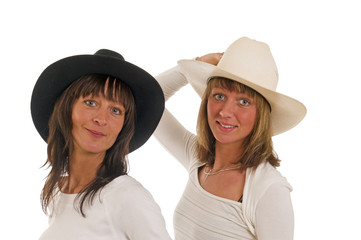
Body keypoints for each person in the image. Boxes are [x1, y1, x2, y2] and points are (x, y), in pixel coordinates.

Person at [154, 37, 306, 239]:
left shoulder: (268, 189)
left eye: (243, 101)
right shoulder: (197, 159)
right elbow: (146, 103)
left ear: (261, 114)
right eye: (219, 96)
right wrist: (190, 66)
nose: (226, 111)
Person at [31, 49, 172, 239]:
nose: (101, 119)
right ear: (67, 109)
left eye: (115, 110)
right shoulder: (59, 191)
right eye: (90, 103)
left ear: (124, 126)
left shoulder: (127, 197)